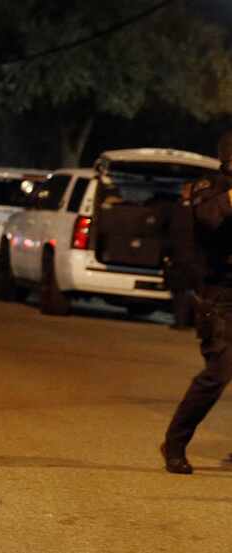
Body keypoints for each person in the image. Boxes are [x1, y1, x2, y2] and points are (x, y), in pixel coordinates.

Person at [161, 130, 232, 474]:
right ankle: (175, 442)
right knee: (218, 373)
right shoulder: (211, 188)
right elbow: (208, 220)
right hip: (220, 296)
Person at [166, 182, 203, 330]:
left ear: (183, 192)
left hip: (180, 257)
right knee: (201, 293)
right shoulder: (204, 208)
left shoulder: (176, 208)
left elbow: (170, 233)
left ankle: (180, 322)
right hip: (199, 259)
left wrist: (167, 255)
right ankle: (200, 324)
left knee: (180, 292)